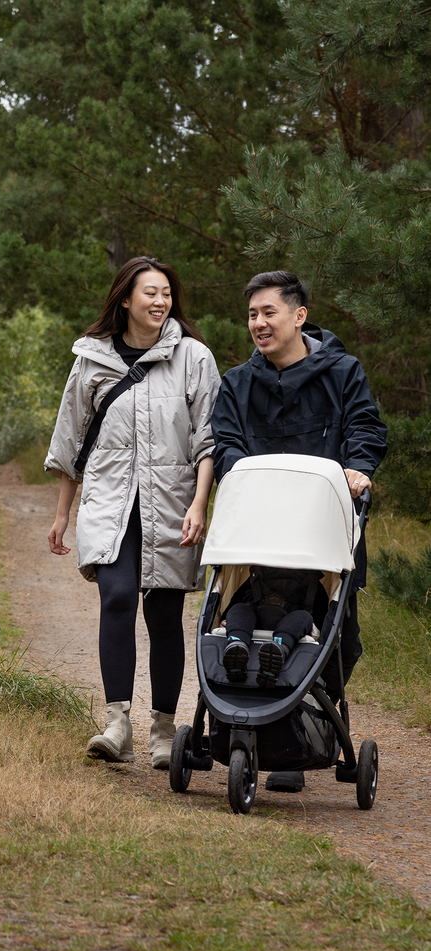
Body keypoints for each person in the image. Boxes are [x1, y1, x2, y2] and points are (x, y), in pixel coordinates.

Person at [211, 270, 388, 791]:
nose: (258, 323)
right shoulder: (238, 383)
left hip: (324, 532)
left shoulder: (342, 372)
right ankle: (256, 728)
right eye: (252, 315)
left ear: (299, 316)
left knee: (340, 641)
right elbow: (225, 443)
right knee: (244, 616)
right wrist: (240, 473)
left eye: (269, 312)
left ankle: (301, 727)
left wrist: (359, 469)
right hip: (256, 533)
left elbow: (365, 427)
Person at [45, 257, 220, 769]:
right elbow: (71, 439)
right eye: (150, 293)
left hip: (172, 503)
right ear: (125, 299)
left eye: (166, 293)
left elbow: (208, 439)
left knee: (164, 614)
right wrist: (62, 515)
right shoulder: (92, 359)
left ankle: (163, 730)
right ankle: (117, 724)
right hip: (110, 500)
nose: (160, 301)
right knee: (117, 597)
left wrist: (199, 503)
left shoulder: (193, 357)